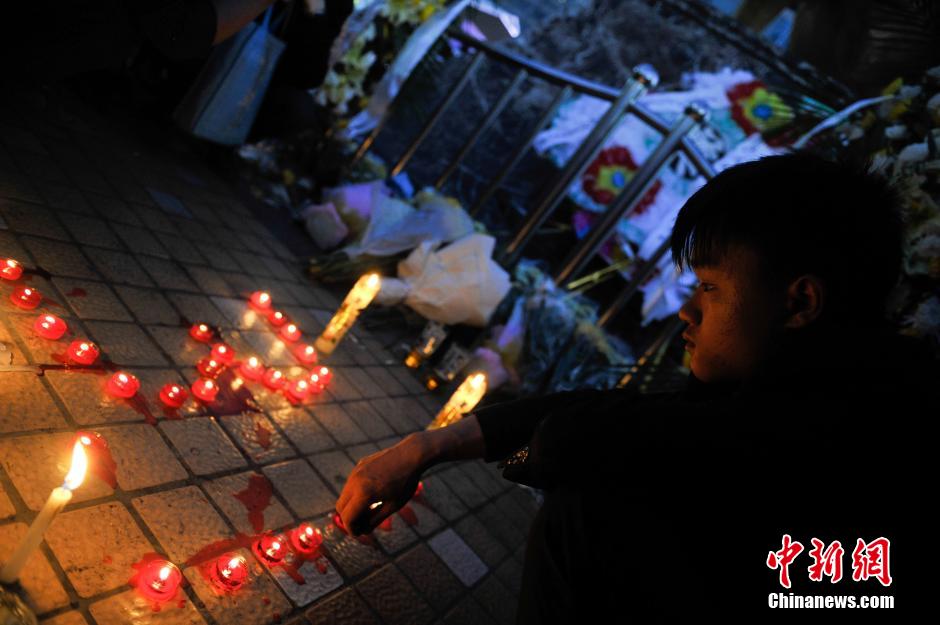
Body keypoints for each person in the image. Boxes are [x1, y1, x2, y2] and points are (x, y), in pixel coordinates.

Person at [336, 153, 939, 620]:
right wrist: (426, 447)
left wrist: (545, 451)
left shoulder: (855, 433)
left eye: (710, 288)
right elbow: (638, 413)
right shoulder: (810, 378)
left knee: (594, 509)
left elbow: (593, 438)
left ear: (800, 301)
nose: (687, 312)